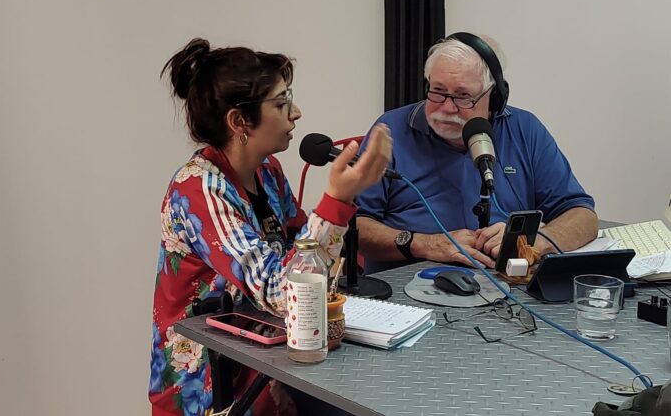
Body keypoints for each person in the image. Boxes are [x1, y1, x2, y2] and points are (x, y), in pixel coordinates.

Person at [148, 38, 392, 415]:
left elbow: (301, 252)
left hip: (271, 359)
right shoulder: (198, 190)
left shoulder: (267, 172)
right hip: (213, 384)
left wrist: (344, 206)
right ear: (240, 121)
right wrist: (336, 202)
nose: (296, 113)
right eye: (281, 103)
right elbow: (283, 291)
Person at [356, 32, 598, 274]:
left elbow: (583, 216)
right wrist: (425, 244)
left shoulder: (525, 129)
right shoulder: (390, 131)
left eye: (463, 96)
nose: (447, 107)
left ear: (493, 97)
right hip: (409, 284)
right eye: (438, 91)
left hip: (508, 284)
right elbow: (353, 225)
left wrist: (535, 241)